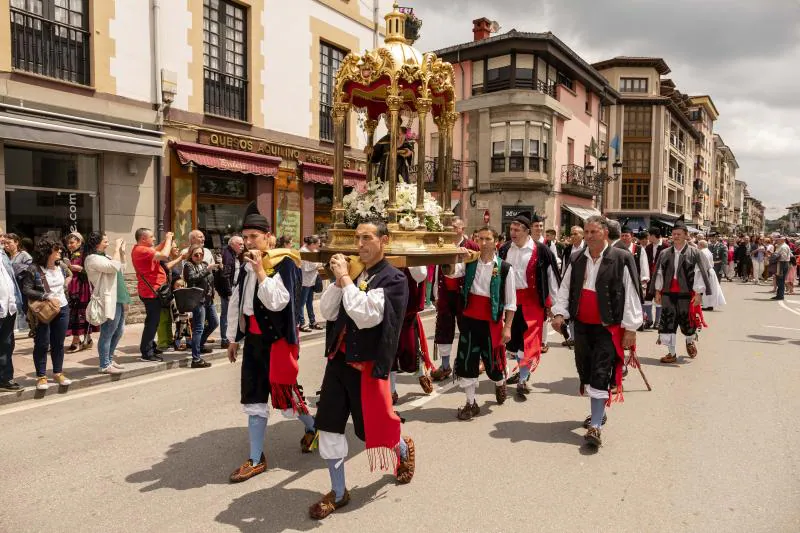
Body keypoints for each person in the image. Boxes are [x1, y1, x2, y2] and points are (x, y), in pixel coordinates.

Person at [311, 220, 414, 519]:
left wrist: (344, 279)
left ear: (384, 240)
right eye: (357, 238)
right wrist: (337, 280)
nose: (360, 244)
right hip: (339, 362)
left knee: (373, 431)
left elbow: (366, 316)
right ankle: (339, 492)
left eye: (367, 238)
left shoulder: (394, 279)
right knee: (328, 427)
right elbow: (329, 312)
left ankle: (401, 449)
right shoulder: (353, 275)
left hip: (367, 366)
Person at [226, 202, 316, 484]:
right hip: (253, 341)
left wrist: (262, 271)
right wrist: (232, 338)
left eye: (254, 236)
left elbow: (280, 302)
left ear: (268, 237)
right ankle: (256, 458)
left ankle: (314, 427)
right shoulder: (244, 266)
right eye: (245, 236)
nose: (248, 241)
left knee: (286, 399)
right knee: (253, 398)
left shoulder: (285, 263)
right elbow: (237, 302)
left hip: (278, 342)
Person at [551, 215, 642, 448]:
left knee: (601, 372)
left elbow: (631, 293)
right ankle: (598, 412)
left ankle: (596, 427)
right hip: (581, 325)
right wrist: (559, 313)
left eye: (594, 232)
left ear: (605, 233)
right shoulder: (576, 258)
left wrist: (630, 328)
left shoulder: (621, 258)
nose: (589, 236)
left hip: (607, 328)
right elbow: (565, 288)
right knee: (586, 371)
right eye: (587, 232)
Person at [452, 226, 515, 418]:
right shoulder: (469, 262)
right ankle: (471, 403)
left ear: (496, 241)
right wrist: (454, 256)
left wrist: (507, 327)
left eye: (488, 239)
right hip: (470, 319)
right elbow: (451, 274)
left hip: (492, 322)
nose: (484, 243)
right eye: (480, 239)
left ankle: (499, 382)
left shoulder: (504, 268)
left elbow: (511, 302)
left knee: (493, 365)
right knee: (467, 361)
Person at [500, 212, 559, 399]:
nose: (513, 233)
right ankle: (521, 372)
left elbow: (552, 279)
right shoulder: (504, 249)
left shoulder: (541, 251)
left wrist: (554, 307)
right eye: (511, 229)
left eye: (517, 230)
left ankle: (523, 378)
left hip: (533, 302)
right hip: (511, 302)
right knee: (516, 341)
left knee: (529, 342)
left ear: (527, 232)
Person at [654, 217, 711, 364]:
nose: (676, 236)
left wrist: (698, 293)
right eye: (674, 234)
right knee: (668, 323)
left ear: (686, 235)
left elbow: (700, 274)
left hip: (686, 294)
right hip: (668, 293)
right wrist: (657, 291)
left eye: (679, 234)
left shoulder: (695, 253)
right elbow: (659, 273)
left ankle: (690, 341)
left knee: (688, 321)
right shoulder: (664, 253)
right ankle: (671, 353)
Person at [430, 217, 479, 381]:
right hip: (445, 294)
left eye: (455, 226)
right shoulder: (442, 245)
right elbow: (438, 270)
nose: (451, 229)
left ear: (462, 228)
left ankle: (465, 362)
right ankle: (445, 366)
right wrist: (436, 295)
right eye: (449, 226)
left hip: (464, 295)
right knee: (444, 329)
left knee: (466, 329)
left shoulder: (472, 246)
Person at [20, 238, 72, 391]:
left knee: (59, 343)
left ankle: (57, 373)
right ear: (47, 252)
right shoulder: (33, 269)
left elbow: (70, 275)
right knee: (42, 344)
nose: (60, 251)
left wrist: (65, 286)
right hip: (44, 310)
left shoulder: (61, 266)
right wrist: (45, 296)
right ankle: (41, 376)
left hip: (62, 308)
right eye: (57, 249)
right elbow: (27, 289)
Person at [84, 232, 130, 374]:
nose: (108, 243)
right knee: (108, 332)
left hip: (119, 298)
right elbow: (112, 267)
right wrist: (116, 248)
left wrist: (122, 253)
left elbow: (121, 268)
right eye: (105, 241)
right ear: (96, 243)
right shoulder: (92, 259)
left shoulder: (106, 257)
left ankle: (109, 359)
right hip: (109, 299)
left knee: (119, 330)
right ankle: (104, 364)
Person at [390, 266, 434, 405]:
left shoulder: (410, 252)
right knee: (389, 353)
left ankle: (420, 371)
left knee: (410, 351)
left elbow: (421, 274)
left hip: (406, 313)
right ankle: (391, 391)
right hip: (386, 311)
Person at [132, 228, 174, 363]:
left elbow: (156, 249)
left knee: (153, 322)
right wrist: (168, 239)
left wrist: (164, 241)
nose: (154, 238)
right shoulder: (142, 250)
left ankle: (150, 346)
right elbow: (165, 255)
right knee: (152, 323)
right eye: (152, 236)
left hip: (152, 291)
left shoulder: (142, 249)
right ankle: (147, 352)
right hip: (151, 293)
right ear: (143, 239)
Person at [183, 244, 219, 368]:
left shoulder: (204, 264)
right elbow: (191, 279)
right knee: (199, 328)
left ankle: (199, 345)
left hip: (208, 299)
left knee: (214, 323)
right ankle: (196, 359)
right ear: (191, 255)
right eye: (196, 254)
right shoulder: (188, 265)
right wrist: (207, 270)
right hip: (198, 300)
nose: (199, 256)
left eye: (201, 254)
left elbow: (210, 280)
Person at [0, 231, 23, 392]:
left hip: (8, 308)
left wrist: (16, 301)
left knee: (7, 344)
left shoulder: (3, 255)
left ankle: (5, 379)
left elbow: (10, 280)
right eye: (0, 235)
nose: (3, 238)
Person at [65, 232, 96, 352]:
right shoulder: (69, 254)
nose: (69, 245)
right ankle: (85, 340)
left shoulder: (85, 254)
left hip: (82, 287)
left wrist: (81, 269)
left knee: (81, 313)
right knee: (74, 313)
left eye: (72, 242)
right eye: (68, 243)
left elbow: (92, 271)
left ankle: (81, 340)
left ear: (79, 242)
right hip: (72, 286)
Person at [219, 235, 244, 349]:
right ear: (232, 244)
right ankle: (225, 339)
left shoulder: (235, 255)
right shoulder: (227, 255)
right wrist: (229, 293)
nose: (242, 246)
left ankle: (232, 337)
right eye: (240, 244)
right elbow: (225, 276)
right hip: (228, 289)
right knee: (226, 314)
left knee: (234, 313)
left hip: (234, 288)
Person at [4, 233, 32, 332]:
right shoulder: (6, 257)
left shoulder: (24, 255)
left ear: (16, 242)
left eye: (9, 243)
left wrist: (18, 272)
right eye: (4, 243)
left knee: (26, 310)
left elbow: (31, 270)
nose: (6, 245)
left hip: (23, 289)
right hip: (13, 289)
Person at [644, 227, 669, 329]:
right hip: (649, 277)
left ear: (653, 236)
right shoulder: (648, 247)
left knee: (659, 299)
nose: (648, 237)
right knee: (647, 298)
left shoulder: (666, 247)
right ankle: (649, 320)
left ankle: (658, 322)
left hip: (660, 277)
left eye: (649, 235)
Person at [298, 235, 324, 332]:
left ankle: (312, 322)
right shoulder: (303, 252)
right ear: (312, 244)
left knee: (309, 302)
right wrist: (319, 264)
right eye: (317, 244)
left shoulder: (314, 251)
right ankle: (302, 323)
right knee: (302, 303)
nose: (318, 245)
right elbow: (306, 268)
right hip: (305, 281)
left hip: (311, 280)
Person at [697, 240, 726, 311]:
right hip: (709, 270)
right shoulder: (707, 251)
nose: (697, 246)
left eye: (698, 245)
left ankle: (707, 305)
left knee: (706, 289)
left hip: (706, 271)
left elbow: (702, 263)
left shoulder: (703, 252)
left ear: (701, 245)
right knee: (711, 289)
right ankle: (709, 305)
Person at [170, 278, 191, 351]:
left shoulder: (185, 295)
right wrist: (177, 318)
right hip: (179, 318)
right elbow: (174, 310)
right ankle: (176, 344)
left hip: (186, 317)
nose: (180, 287)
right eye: (178, 286)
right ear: (173, 286)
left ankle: (189, 343)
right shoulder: (173, 297)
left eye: (182, 286)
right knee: (179, 331)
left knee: (188, 331)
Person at [772, 236, 792, 301]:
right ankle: (779, 295)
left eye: (778, 239)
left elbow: (783, 257)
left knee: (780, 280)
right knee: (779, 280)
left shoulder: (783, 247)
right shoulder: (782, 246)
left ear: (782, 240)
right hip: (782, 263)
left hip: (782, 263)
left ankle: (780, 295)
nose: (777, 240)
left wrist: (775, 257)